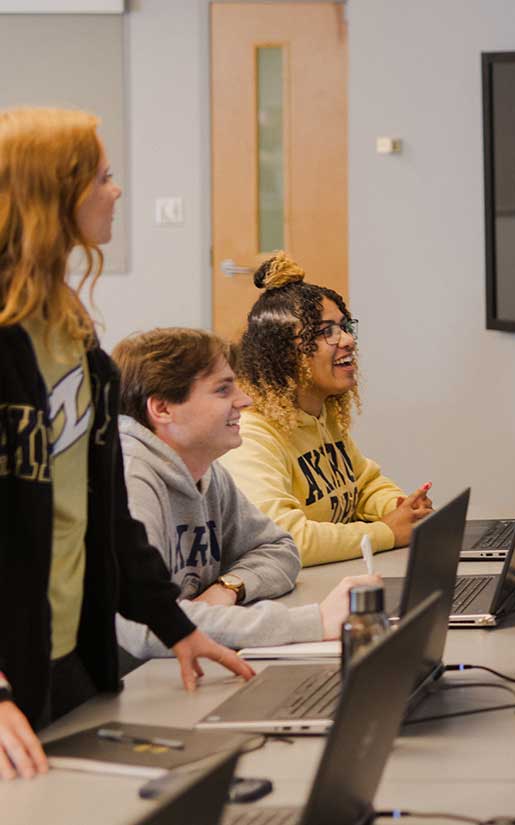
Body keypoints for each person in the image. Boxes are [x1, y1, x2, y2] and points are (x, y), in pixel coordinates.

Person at [0, 107, 253, 781]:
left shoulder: (74, 337)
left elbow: (107, 517)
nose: (116, 192)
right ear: (55, 196)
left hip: (68, 656)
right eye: (103, 178)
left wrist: (175, 624)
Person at [112, 327, 382, 661]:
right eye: (223, 389)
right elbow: (147, 626)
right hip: (136, 688)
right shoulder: (128, 479)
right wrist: (312, 622)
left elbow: (280, 549)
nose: (245, 400)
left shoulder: (206, 470)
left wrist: (228, 589)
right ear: (163, 408)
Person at [217, 253, 432, 567]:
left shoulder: (321, 413)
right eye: (325, 331)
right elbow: (285, 537)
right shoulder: (251, 435)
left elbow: (364, 483)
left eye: (344, 327)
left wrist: (402, 508)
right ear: (283, 353)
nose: (346, 340)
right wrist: (386, 532)